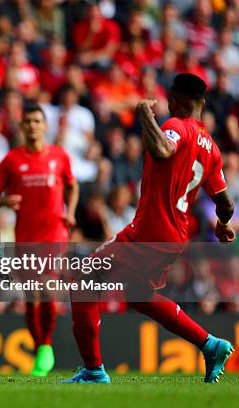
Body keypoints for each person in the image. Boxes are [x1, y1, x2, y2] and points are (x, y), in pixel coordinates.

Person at [63, 73, 235, 383]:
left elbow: (162, 150)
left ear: (173, 100)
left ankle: (93, 370)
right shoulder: (211, 148)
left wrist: (144, 114)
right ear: (203, 103)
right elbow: (226, 203)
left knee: (84, 277)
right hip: (175, 236)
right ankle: (210, 345)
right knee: (140, 296)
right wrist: (223, 224)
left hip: (151, 229)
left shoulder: (173, 127)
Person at [0, 105, 78, 377]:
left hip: (54, 233)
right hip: (26, 237)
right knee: (30, 298)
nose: (32, 126)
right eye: (27, 121)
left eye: (37, 121)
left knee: (46, 288)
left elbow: (72, 185)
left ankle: (47, 347)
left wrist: (71, 213)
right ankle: (40, 346)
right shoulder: (11, 160)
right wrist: (6, 200)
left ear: (45, 126)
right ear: (21, 126)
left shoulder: (59, 156)